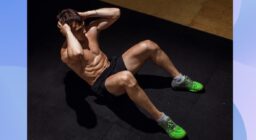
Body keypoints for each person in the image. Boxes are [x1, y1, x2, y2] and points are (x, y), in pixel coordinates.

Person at [57, 8, 204, 139]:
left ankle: (178, 80)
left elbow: (116, 13)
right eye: (77, 30)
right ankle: (163, 120)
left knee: (148, 45)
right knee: (127, 78)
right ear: (65, 31)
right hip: (103, 84)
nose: (82, 31)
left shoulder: (90, 31)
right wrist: (68, 32)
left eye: (82, 26)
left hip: (113, 66)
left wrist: (85, 14)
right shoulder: (66, 53)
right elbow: (77, 52)